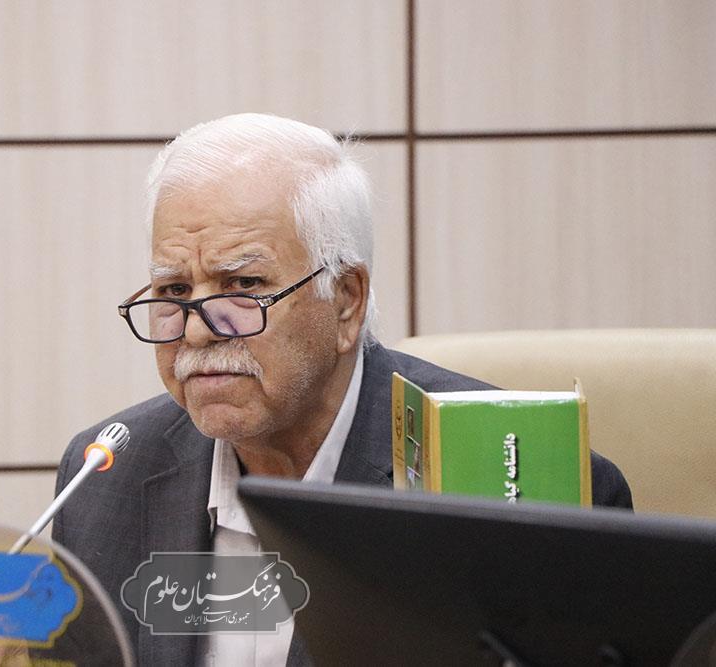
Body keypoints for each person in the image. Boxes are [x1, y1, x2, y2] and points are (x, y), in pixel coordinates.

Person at [51, 113, 632, 666]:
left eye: (244, 285)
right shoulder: (105, 476)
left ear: (346, 301)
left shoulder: (507, 480)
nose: (198, 329)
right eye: (175, 291)